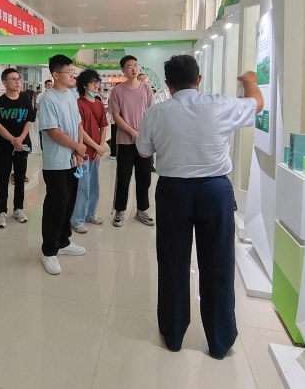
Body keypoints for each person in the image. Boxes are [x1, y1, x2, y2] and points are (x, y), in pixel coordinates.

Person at [135, 55, 263, 359]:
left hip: (173, 191)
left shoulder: (156, 112)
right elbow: (257, 103)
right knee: (218, 264)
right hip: (215, 191)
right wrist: (249, 81)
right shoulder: (220, 105)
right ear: (199, 79)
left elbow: (143, 151)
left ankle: (173, 334)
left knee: (172, 263)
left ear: (168, 84)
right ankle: (219, 341)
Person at [38, 55, 86, 275]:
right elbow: (52, 131)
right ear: (56, 74)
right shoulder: (48, 99)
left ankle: (63, 241)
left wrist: (78, 150)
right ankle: (49, 250)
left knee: (68, 203)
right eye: (69, 72)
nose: (72, 75)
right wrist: (76, 146)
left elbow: (78, 123)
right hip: (56, 161)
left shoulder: (71, 95)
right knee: (55, 206)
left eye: (73, 71)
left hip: (71, 160)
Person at [109, 55, 154, 227]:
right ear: (123, 70)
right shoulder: (117, 90)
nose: (134, 69)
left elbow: (151, 113)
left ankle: (142, 210)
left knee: (144, 177)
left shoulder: (146, 89)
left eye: (136, 65)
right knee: (123, 177)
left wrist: (143, 134)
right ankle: (120, 210)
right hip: (125, 142)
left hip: (144, 142)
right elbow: (116, 115)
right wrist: (132, 132)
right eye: (129, 66)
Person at [0, 68, 34, 228]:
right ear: (4, 82)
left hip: (23, 144)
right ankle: (2, 212)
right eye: (13, 79)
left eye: (18, 79)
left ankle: (18, 209)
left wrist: (20, 139)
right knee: (3, 179)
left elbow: (29, 120)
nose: (17, 82)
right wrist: (12, 140)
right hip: (4, 146)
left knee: (20, 178)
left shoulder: (25, 99)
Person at [70, 69, 108, 233]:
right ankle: (77, 219)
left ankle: (90, 214)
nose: (96, 85)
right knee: (82, 186)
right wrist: (96, 146)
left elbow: (104, 126)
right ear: (85, 85)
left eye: (98, 82)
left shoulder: (98, 104)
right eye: (93, 82)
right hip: (84, 151)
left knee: (94, 185)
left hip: (96, 153)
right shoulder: (78, 104)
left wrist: (101, 146)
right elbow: (80, 130)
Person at [35, 79, 53, 151]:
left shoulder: (54, 95)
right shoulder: (41, 95)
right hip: (42, 117)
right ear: (45, 86)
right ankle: (43, 149)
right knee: (43, 133)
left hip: (52, 118)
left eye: (51, 85)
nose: (50, 86)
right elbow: (36, 106)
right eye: (48, 85)